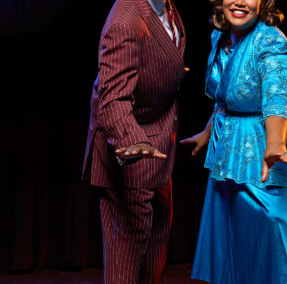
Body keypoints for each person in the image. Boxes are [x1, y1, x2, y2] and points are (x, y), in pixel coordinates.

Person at [181, 0, 287, 283]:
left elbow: (279, 94)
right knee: (237, 238)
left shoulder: (272, 41)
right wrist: (207, 133)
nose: (240, 1)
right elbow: (226, 95)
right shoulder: (221, 35)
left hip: (267, 146)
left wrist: (276, 142)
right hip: (230, 149)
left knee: (273, 230)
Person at [81, 0, 186, 283]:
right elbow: (112, 98)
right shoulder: (125, 21)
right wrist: (132, 140)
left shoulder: (164, 6)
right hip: (132, 159)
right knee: (125, 271)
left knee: (152, 266)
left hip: (160, 151)